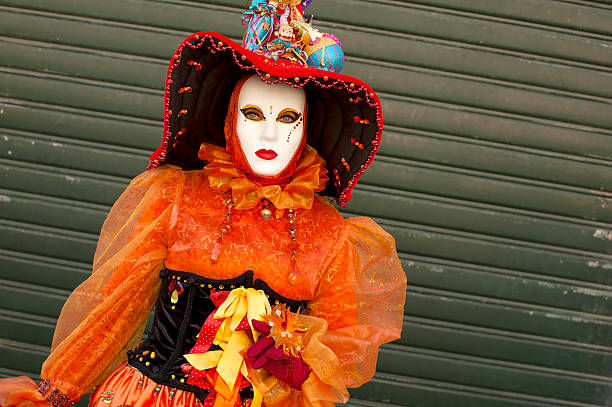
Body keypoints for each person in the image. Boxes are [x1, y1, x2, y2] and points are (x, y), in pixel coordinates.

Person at [0, 5, 406, 407]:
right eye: (252, 113)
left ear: (307, 128)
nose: (268, 132)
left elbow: (347, 342)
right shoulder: (176, 197)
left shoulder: (331, 233)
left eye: (287, 118)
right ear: (230, 117)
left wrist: (302, 367)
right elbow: (112, 305)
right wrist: (59, 391)